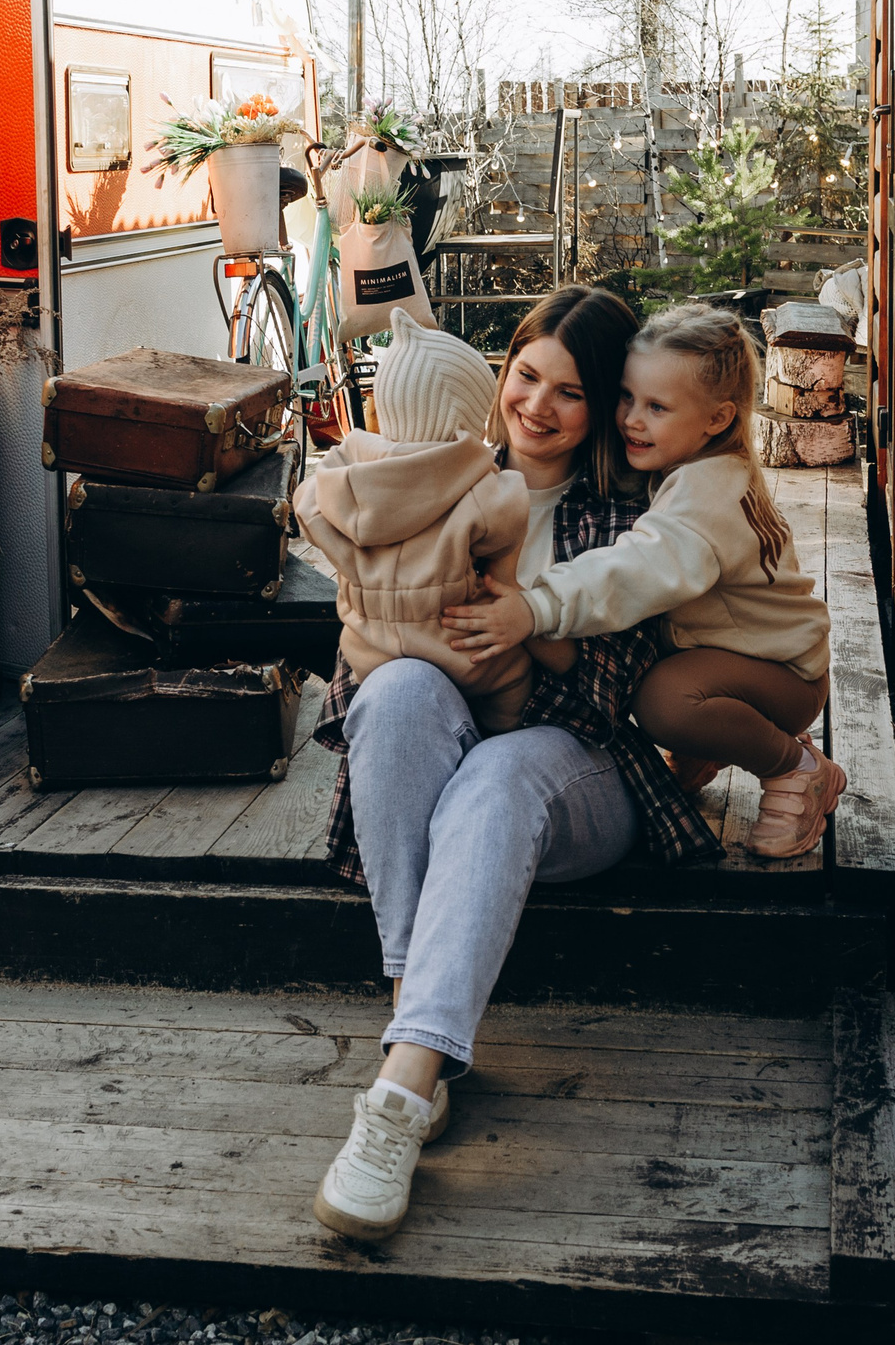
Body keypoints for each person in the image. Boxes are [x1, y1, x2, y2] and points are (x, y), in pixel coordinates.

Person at [304, 287, 723, 1243]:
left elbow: (634, 700)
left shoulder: (630, 515)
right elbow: (352, 677)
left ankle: (397, 1103)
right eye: (526, 375)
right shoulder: (436, 479)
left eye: (570, 392)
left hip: (579, 778)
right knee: (398, 694)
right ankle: (424, 1037)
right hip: (440, 761)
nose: (537, 406)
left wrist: (532, 648)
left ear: (604, 403)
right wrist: (420, 656)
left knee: (500, 777)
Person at [446, 301, 845, 860]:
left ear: (717, 419)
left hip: (780, 673)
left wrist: (535, 608)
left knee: (664, 702)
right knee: (658, 677)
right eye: (627, 397)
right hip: (737, 653)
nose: (632, 418)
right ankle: (713, 741)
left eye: (657, 406)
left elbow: (633, 572)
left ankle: (795, 767)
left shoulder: (705, 497)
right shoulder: (697, 469)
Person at [296, 309, 534, 733]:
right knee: (515, 674)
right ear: (465, 417)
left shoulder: (341, 475)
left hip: (366, 648)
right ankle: (496, 740)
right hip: (451, 644)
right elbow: (508, 516)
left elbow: (306, 504)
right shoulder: (477, 484)